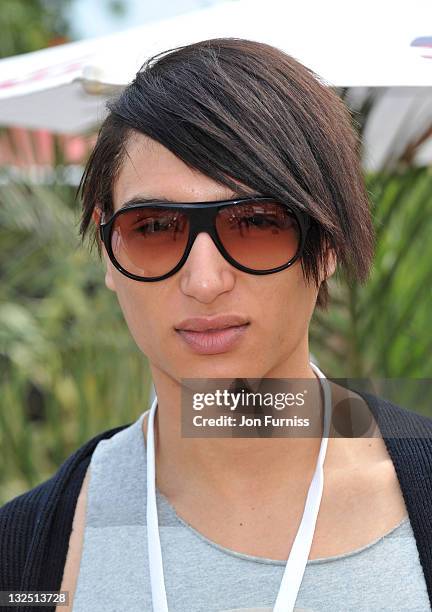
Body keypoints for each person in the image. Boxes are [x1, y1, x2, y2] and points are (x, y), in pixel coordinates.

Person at [1, 37, 432, 612]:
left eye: (256, 222)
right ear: (108, 249)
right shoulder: (30, 555)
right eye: (154, 228)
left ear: (327, 243)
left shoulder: (418, 493)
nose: (205, 281)